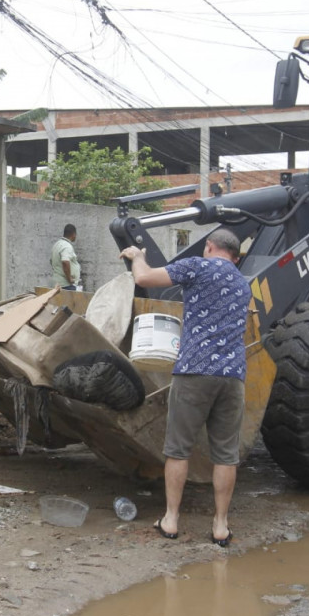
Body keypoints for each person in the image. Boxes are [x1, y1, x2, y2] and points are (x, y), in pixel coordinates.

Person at [119, 227, 250, 546]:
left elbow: (145, 279)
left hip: (195, 371)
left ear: (209, 247)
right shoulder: (244, 284)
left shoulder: (197, 266)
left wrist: (137, 256)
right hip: (233, 376)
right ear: (235, 256)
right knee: (225, 455)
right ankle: (220, 525)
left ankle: (171, 520)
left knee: (178, 450)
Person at [50, 223, 81, 291]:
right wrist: (69, 278)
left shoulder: (57, 245)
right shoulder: (67, 246)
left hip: (57, 283)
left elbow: (51, 262)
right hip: (66, 285)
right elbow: (65, 261)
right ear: (73, 234)